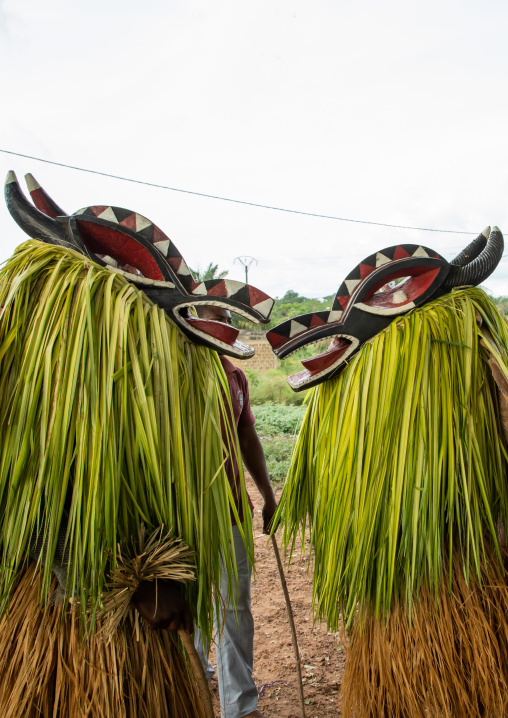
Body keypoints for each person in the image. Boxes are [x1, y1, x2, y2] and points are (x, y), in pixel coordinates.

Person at [194, 304, 277, 718]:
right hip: (181, 518)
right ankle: (190, 683)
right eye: (217, 317)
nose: (226, 326)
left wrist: (267, 495)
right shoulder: (174, 364)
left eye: (230, 320)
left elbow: (248, 438)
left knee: (235, 606)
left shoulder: (234, 374)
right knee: (187, 607)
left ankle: (239, 705)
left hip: (231, 512)